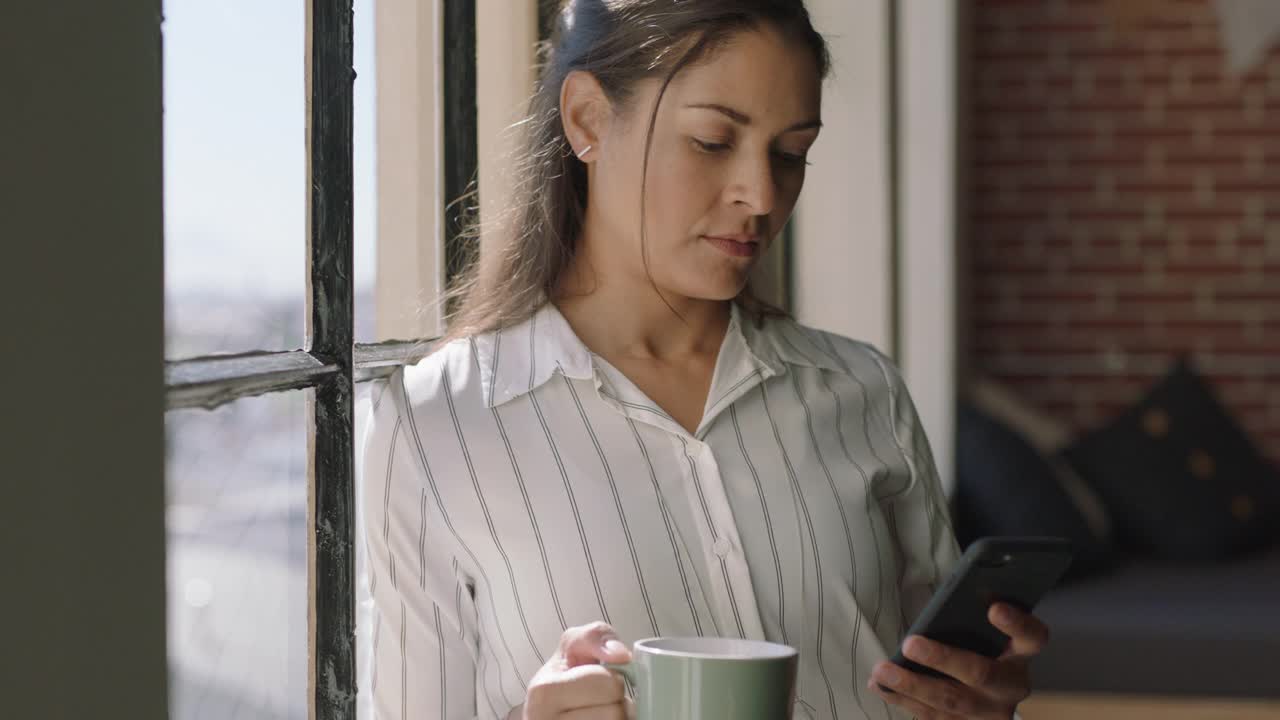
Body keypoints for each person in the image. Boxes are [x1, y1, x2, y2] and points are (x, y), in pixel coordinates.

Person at [361, 1, 1051, 718]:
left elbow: (940, 689)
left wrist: (981, 702)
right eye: (714, 141)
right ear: (588, 120)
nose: (761, 195)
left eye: (790, 153)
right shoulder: (434, 424)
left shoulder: (863, 390)